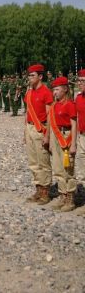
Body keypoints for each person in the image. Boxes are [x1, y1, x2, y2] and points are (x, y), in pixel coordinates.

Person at [46, 77, 77, 212]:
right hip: (56, 137)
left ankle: (70, 198)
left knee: (68, 169)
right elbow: (51, 125)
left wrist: (73, 143)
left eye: (57, 89)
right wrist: (51, 142)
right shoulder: (54, 105)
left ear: (65, 89)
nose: (55, 92)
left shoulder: (70, 104)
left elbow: (74, 125)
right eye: (53, 90)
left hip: (67, 136)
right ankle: (62, 195)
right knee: (58, 168)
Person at [24, 64, 54, 204]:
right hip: (30, 128)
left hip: (40, 129)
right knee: (33, 162)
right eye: (29, 75)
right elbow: (27, 112)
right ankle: (38, 189)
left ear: (40, 76)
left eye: (32, 75)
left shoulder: (46, 92)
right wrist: (25, 132)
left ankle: (45, 192)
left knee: (43, 162)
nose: (29, 78)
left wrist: (47, 135)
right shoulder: (29, 92)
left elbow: (50, 116)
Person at [75, 69, 85, 216]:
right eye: (80, 80)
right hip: (82, 136)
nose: (81, 83)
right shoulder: (78, 97)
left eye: (84, 81)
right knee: (82, 171)